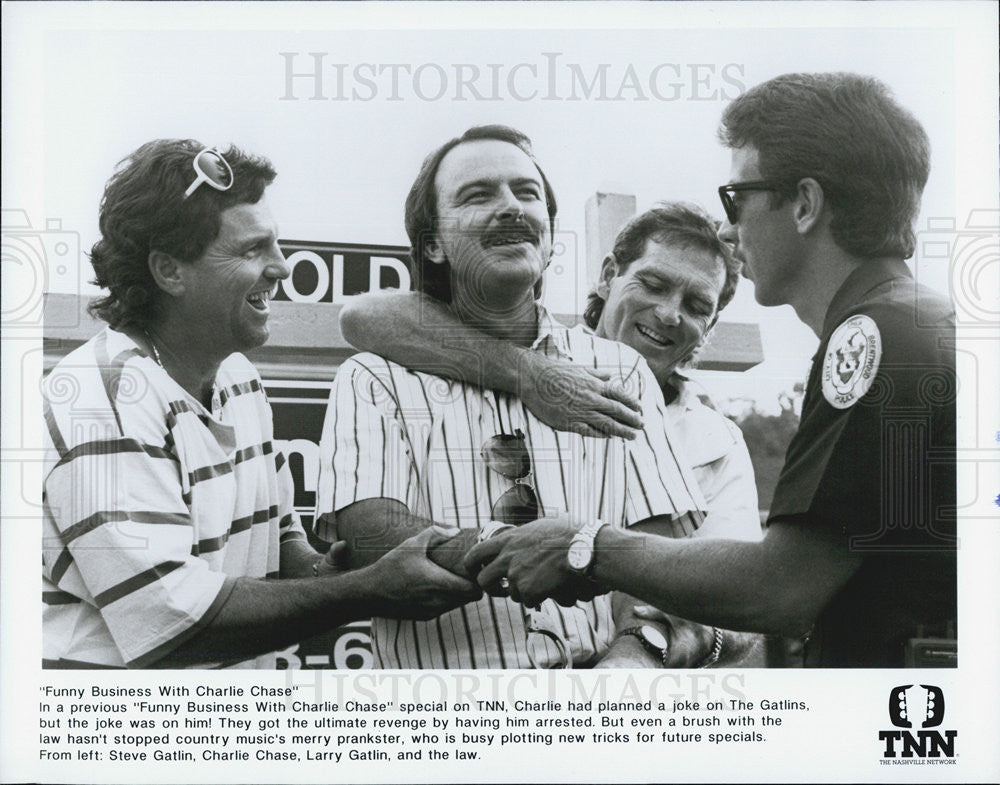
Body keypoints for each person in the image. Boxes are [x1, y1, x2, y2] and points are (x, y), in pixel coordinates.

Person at [466, 72, 957, 668]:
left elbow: (781, 589)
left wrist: (585, 544)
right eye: (651, 283)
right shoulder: (914, 322)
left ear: (804, 204)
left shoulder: (875, 335)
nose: (728, 227)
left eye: (737, 198)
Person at [41, 139, 480, 669]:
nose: (282, 267)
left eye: (275, 244)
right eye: (252, 250)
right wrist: (367, 590)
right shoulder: (103, 393)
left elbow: (281, 540)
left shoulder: (237, 377)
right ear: (170, 271)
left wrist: (344, 567)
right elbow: (175, 624)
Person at [315, 125, 706, 669]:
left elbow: (662, 562)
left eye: (527, 194)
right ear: (432, 243)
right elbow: (373, 539)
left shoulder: (620, 370)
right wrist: (552, 550)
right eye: (478, 195)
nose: (511, 208)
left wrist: (628, 666)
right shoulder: (373, 377)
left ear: (549, 236)